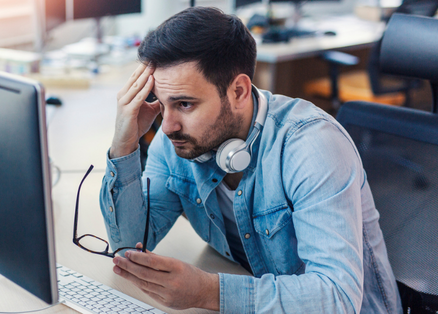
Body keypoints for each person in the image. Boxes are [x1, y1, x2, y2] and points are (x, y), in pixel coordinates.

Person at [99, 6, 400, 313]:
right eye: (162, 103)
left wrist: (208, 292)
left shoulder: (312, 145)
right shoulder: (175, 140)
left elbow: (337, 297)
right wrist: (124, 146)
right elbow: (130, 245)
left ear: (239, 91)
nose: (167, 126)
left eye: (185, 104)